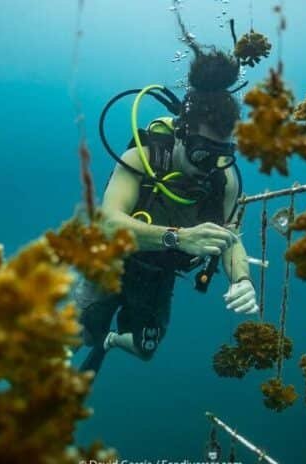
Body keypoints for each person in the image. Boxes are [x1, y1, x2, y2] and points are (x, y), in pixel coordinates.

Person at [76, 50, 257, 375]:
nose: (210, 166)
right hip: (112, 260)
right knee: (78, 333)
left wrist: (241, 279)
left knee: (144, 349)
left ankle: (112, 340)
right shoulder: (142, 159)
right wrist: (179, 238)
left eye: (222, 154)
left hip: (158, 274)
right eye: (202, 154)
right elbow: (107, 224)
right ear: (181, 137)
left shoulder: (224, 179)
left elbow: (229, 237)